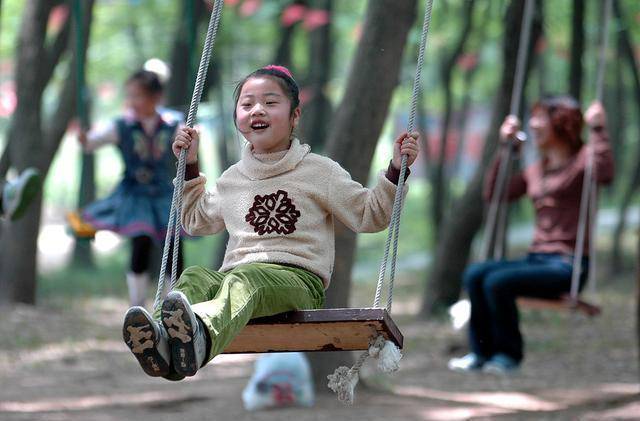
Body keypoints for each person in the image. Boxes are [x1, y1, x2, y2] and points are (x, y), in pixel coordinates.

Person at [121, 64, 420, 380]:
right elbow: (195, 222)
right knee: (195, 277)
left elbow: (369, 214)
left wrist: (395, 170)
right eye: (247, 104)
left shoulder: (320, 172)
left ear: (295, 117)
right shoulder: (232, 179)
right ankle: (159, 343)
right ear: (238, 117)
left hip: (298, 280)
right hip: (237, 279)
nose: (257, 110)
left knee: (245, 281)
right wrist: (191, 165)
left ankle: (199, 338)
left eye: (270, 102)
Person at [448, 96, 614, 375]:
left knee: (497, 282)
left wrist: (598, 130)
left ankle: (508, 356)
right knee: (476, 274)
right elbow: (495, 193)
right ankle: (481, 354)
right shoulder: (537, 170)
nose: (532, 124)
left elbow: (606, 174)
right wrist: (506, 150)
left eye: (540, 118)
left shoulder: (585, 160)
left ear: (561, 124)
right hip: (537, 260)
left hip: (568, 265)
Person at [73, 70, 184, 308]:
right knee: (140, 238)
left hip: (163, 192)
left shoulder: (172, 123)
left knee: (174, 241)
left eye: (138, 96)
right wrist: (85, 139)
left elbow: (188, 141)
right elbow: (94, 141)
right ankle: (138, 303)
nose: (132, 101)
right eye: (130, 96)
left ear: (156, 97)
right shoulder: (122, 125)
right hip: (135, 193)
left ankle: (173, 302)